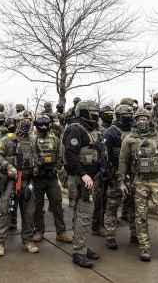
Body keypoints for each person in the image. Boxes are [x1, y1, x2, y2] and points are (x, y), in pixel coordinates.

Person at [117, 109, 158, 263]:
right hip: (139, 182)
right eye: (138, 119)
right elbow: (123, 161)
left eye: (144, 118)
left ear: (150, 119)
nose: (142, 121)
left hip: (157, 182)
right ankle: (145, 249)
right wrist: (121, 181)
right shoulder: (129, 139)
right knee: (140, 217)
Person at [0, 110, 39, 256]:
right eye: (23, 121)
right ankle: (0, 243)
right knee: (6, 211)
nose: (26, 123)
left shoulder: (32, 140)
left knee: (29, 212)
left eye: (28, 121)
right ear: (17, 123)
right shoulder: (7, 140)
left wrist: (36, 166)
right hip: (12, 180)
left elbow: (37, 156)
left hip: (27, 180)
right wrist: (8, 166)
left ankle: (28, 241)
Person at [62, 100, 102, 268]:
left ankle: (82, 247)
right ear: (84, 112)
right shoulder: (75, 130)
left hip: (90, 178)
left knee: (82, 215)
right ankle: (79, 252)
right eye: (92, 112)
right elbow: (70, 156)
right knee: (84, 216)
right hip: (81, 179)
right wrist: (84, 174)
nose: (96, 115)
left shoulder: (87, 129)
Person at [31, 114, 73, 243]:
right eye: (41, 125)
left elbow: (60, 158)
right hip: (37, 178)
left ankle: (61, 232)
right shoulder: (31, 139)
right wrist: (37, 170)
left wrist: (53, 171)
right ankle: (39, 231)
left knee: (57, 204)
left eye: (45, 124)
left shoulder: (54, 139)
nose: (43, 127)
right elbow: (29, 157)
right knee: (37, 206)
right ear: (36, 125)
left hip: (51, 178)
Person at [102, 104, 135, 250]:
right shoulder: (111, 133)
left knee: (136, 205)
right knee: (112, 206)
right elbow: (104, 156)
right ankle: (110, 237)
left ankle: (135, 233)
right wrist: (109, 174)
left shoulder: (135, 130)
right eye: (125, 115)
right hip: (116, 173)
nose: (128, 117)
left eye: (130, 115)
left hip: (134, 174)